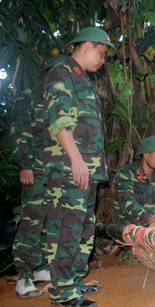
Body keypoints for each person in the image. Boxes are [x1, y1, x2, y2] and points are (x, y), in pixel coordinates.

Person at [42, 27, 116, 307]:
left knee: (83, 230)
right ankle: (62, 294)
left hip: (87, 169)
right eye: (101, 52)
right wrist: (75, 159)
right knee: (66, 230)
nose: (102, 59)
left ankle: (74, 283)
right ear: (87, 45)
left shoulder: (82, 79)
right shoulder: (62, 72)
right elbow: (59, 121)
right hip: (69, 169)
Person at [9, 56, 70, 298]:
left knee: (52, 221)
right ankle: (23, 273)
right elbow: (19, 130)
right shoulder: (29, 97)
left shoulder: (64, 101)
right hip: (35, 169)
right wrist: (25, 164)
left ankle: (42, 267)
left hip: (58, 173)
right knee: (33, 220)